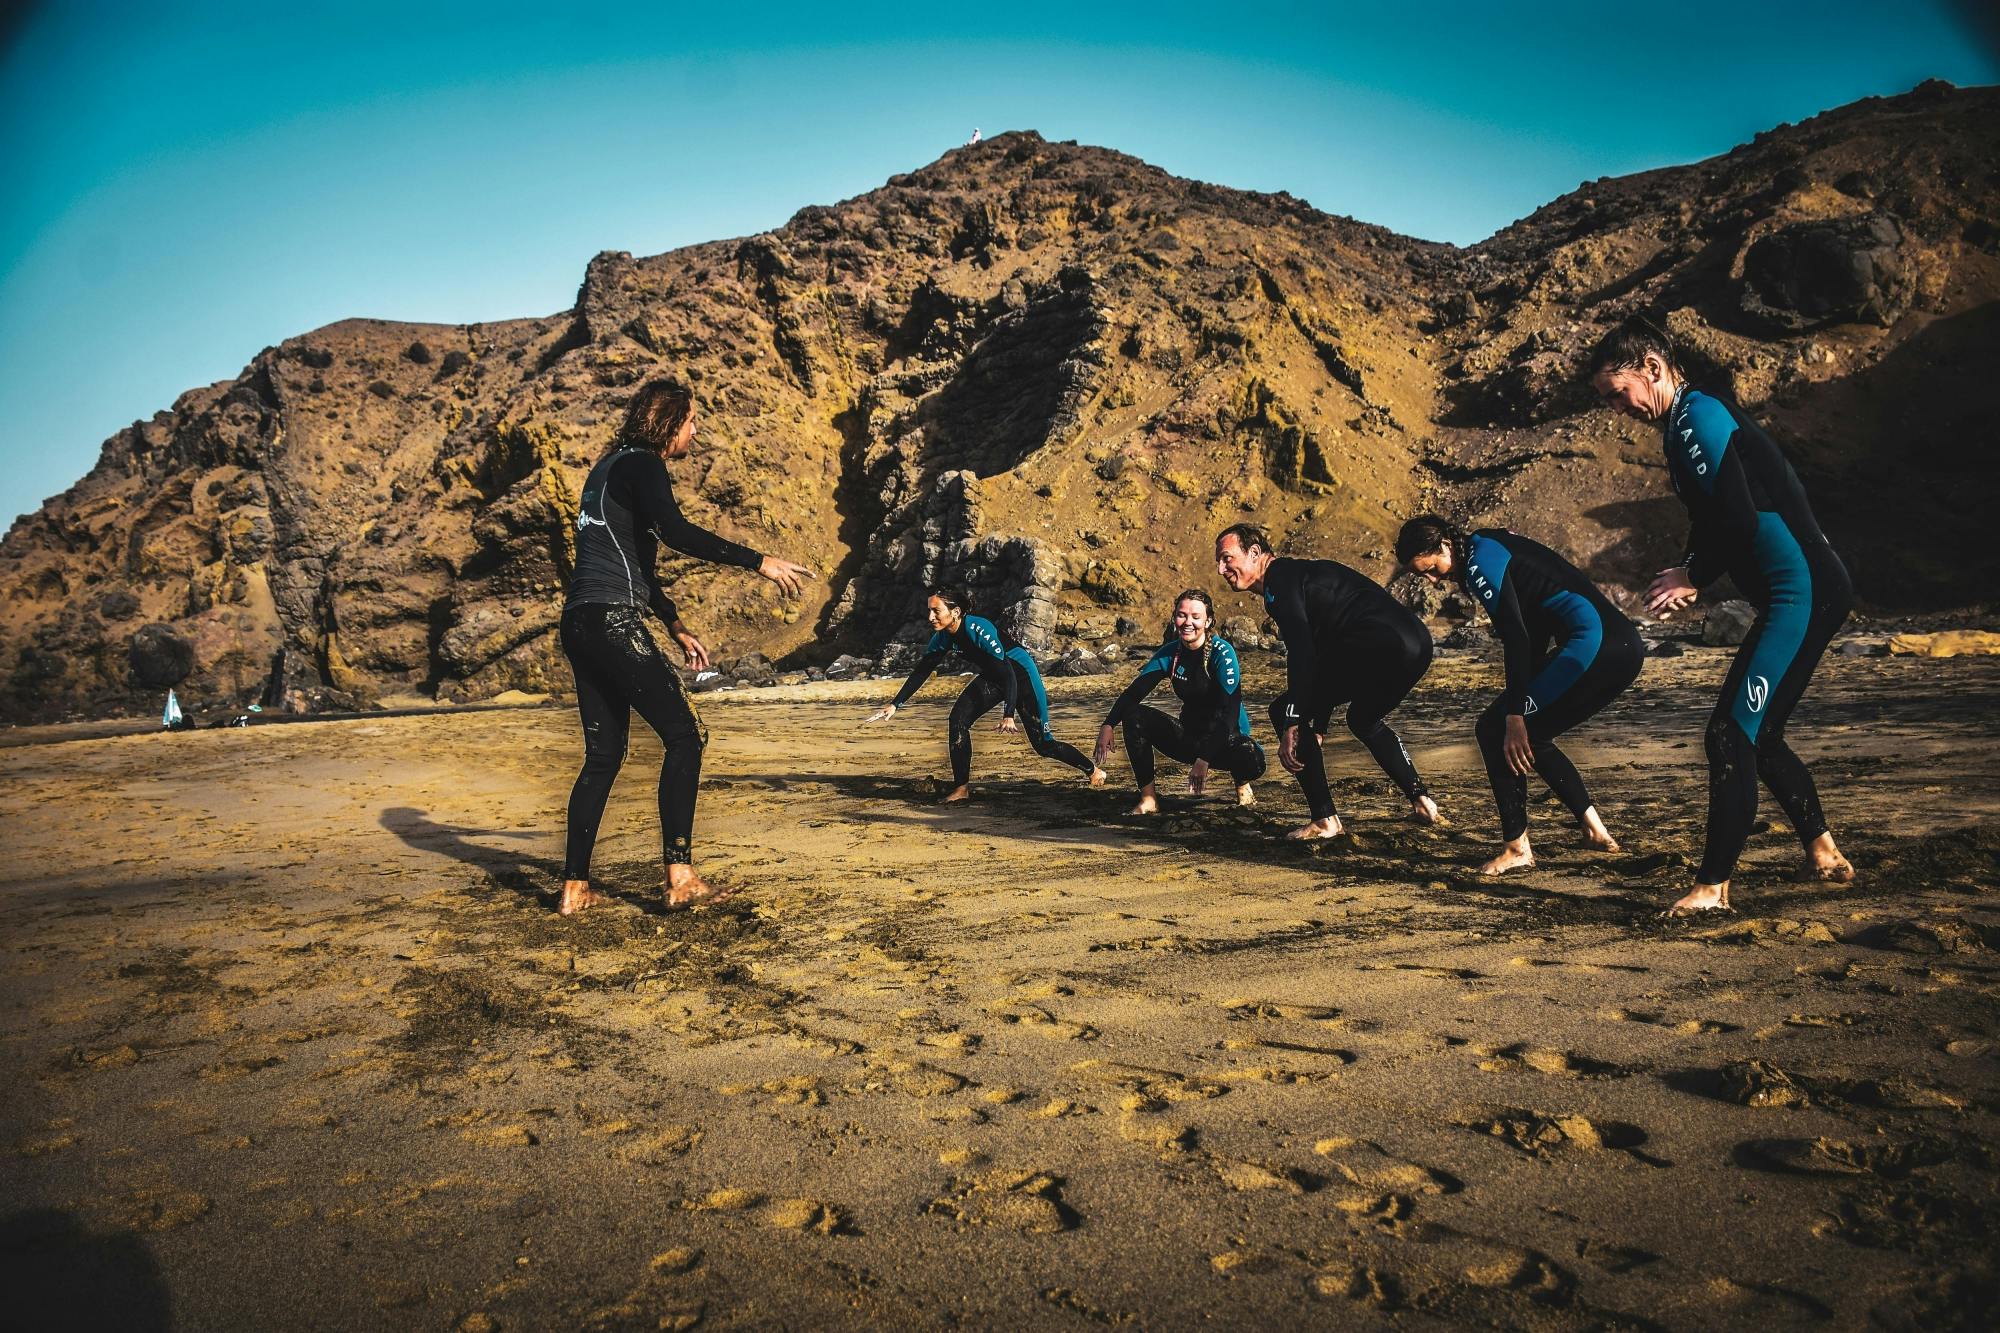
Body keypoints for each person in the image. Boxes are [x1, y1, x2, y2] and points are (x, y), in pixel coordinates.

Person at [1588, 317, 1853, 914]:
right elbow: (1712, 522)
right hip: (1802, 592)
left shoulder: (1699, 416)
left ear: (1651, 367)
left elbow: (1736, 520)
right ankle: (1823, 850)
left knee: (1729, 734)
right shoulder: (1683, 426)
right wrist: (1687, 567)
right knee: (1760, 733)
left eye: (1617, 393)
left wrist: (1695, 577)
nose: (1615, 408)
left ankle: (1713, 886)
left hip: (1803, 593)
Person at [557, 378, 813, 916]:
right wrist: (759, 561)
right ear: (669, 423)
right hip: (609, 619)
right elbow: (675, 532)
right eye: (692, 421)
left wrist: (673, 624)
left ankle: (574, 887)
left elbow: (638, 563)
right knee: (686, 733)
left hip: (579, 622)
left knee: (603, 756)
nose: (696, 432)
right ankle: (680, 877)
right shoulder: (643, 464)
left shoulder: (604, 470)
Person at [1398, 517, 1643, 875]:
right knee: (1534, 736)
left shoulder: (1480, 564)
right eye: (1424, 577)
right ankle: (1595, 831)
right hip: (1618, 646)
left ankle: (1516, 847)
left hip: (1595, 647)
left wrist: (1515, 714)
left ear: (1446, 546)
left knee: (1495, 730)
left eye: (1433, 569)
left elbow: (1517, 638)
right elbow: (1536, 624)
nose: (1434, 581)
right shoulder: (1487, 544)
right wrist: (1522, 707)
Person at [1214, 524, 1441, 838]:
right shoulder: (1299, 576)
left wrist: (1294, 721)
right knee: (1364, 719)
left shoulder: (1279, 580)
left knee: (1283, 710)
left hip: (1380, 643)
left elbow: (1303, 652)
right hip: (1417, 644)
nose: (1221, 568)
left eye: (1227, 558)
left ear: (1255, 553)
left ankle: (1325, 819)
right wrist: (1316, 725)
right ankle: (1423, 801)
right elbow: (1325, 656)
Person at [865, 588, 1105, 800]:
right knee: (957, 720)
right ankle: (961, 788)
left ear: (956, 612)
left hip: (1021, 677)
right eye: (929, 611)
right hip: (993, 677)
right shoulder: (942, 637)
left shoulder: (978, 628)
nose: (930, 617)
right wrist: (896, 704)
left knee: (1044, 745)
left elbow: (1008, 672)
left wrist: (1008, 714)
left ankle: (1093, 770)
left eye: (936, 611)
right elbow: (923, 670)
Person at [1093, 589, 1267, 814]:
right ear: (1174, 617)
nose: (1188, 622)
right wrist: (1108, 724)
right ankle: (1148, 799)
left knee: (1251, 757)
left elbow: (1229, 713)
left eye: (1196, 616)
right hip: (1191, 737)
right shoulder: (1171, 654)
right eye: (1182, 615)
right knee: (1134, 715)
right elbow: (1134, 692)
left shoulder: (1222, 653)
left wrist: (1205, 758)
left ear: (1208, 620)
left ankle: (1241, 782)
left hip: (1228, 742)